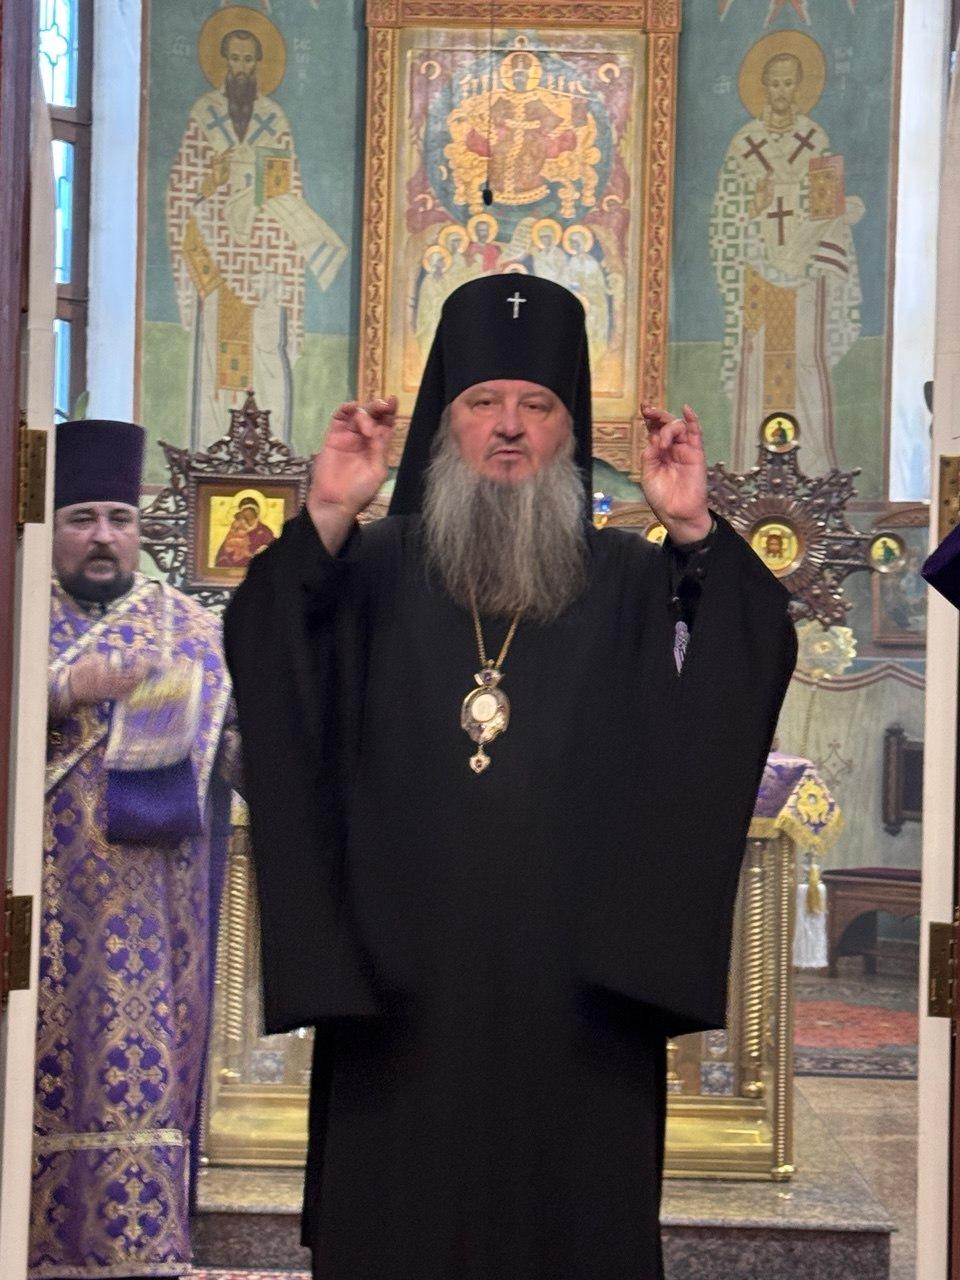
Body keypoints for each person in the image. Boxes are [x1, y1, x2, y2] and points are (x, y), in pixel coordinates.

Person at [225, 274, 797, 1280]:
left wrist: (696, 530)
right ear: (445, 424)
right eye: (483, 401)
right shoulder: (373, 563)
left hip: (577, 990)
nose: (508, 426)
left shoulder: (629, 575)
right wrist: (325, 512)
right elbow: (268, 648)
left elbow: (746, 653)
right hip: (401, 976)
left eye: (537, 406)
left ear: (567, 431)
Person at [31, 420, 240, 1279]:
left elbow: (241, 754)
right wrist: (64, 688)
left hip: (153, 920)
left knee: (139, 1077)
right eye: (81, 518)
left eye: (119, 518)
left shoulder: (190, 630)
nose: (103, 537)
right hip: (35, 916)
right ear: (49, 526)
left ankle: (138, 1253)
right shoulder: (16, 619)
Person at [167, 14, 347, 447]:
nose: (242, 68)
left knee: (267, 353)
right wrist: (212, 180)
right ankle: (214, 452)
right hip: (215, 262)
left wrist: (279, 241)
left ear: (259, 64)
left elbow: (289, 187)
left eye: (249, 60)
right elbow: (181, 188)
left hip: (266, 261)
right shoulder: (204, 115)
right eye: (235, 58)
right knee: (218, 361)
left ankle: (271, 451)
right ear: (224, 60)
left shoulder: (274, 119)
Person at [709, 39, 864, 474]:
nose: (781, 92)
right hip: (757, 276)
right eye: (774, 84)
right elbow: (724, 214)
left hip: (805, 276)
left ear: (799, 87)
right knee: (757, 359)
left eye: (789, 83)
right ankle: (750, 468)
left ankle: (812, 467)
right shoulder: (744, 143)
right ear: (763, 87)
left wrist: (816, 237)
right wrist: (751, 206)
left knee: (806, 360)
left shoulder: (814, 139)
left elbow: (826, 207)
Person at [214, 494, 276, 568]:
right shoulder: (237, 528)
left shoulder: (265, 531)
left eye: (250, 510)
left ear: (256, 512)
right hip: (236, 566)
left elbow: (273, 550)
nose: (247, 513)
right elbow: (224, 551)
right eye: (244, 510)